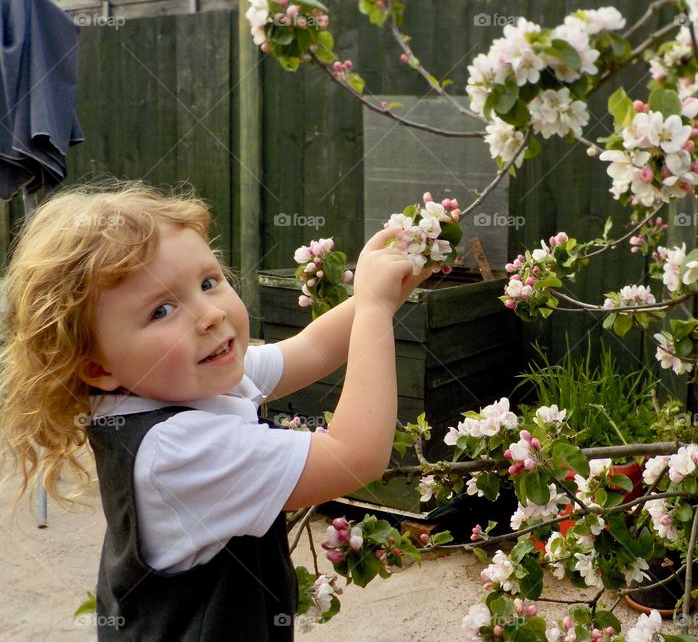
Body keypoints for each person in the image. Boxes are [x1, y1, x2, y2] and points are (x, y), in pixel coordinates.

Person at [0, 179, 435, 640]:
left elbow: (312, 348)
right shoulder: (174, 449)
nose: (207, 314)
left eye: (208, 282)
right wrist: (372, 308)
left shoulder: (177, 379)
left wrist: (389, 291)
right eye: (161, 311)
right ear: (96, 365)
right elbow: (356, 454)